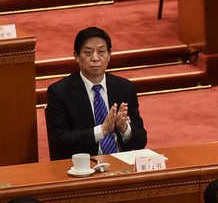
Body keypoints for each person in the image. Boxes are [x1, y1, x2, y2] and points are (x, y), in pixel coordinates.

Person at [45, 27, 147, 160]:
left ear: (109, 55)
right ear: (76, 56)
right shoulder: (60, 92)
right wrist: (102, 130)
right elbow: (60, 141)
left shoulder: (125, 87)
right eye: (88, 52)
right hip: (84, 167)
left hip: (122, 165)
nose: (95, 58)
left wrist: (124, 128)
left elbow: (141, 140)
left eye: (101, 52)